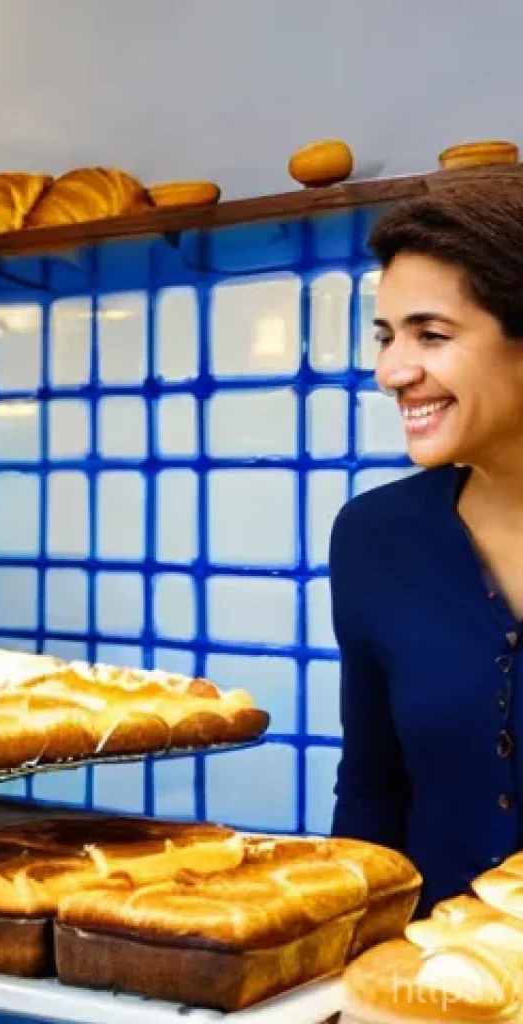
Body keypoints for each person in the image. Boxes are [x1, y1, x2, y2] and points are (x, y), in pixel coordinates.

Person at [330, 166, 523, 918]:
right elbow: (373, 794)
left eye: (431, 335)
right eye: (386, 337)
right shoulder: (376, 539)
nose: (391, 372)